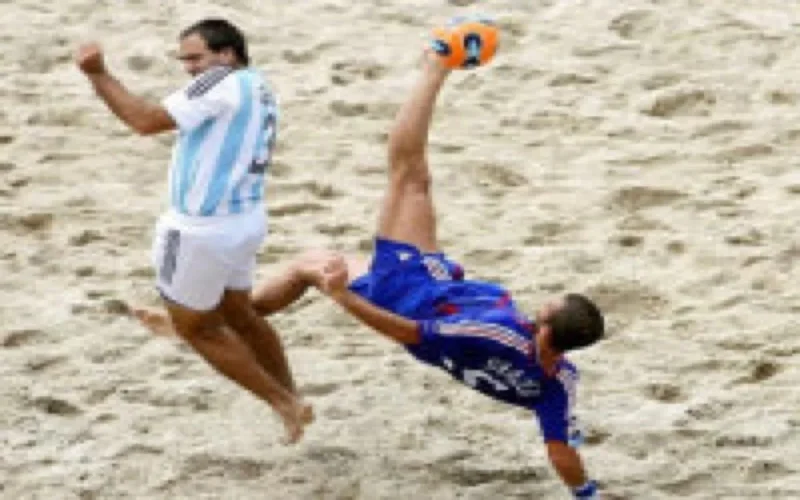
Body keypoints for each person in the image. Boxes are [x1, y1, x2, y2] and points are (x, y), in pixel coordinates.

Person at [135, 27, 605, 497]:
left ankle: (435, 68)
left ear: (543, 327)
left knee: (401, 179)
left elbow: (405, 334)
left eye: (546, 306)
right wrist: (586, 491)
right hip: (437, 288)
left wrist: (339, 295)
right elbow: (561, 449)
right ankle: (205, 326)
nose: (540, 303)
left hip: (409, 291)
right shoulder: (555, 384)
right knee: (371, 210)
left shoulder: (496, 336)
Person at [75, 18, 310, 443]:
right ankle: (291, 396)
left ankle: (283, 402)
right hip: (245, 219)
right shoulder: (258, 84)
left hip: (200, 228)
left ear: (227, 54)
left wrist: (97, 74)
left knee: (197, 329)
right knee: (243, 316)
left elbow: (143, 121)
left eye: (196, 58)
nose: (188, 67)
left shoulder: (219, 82)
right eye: (183, 59)